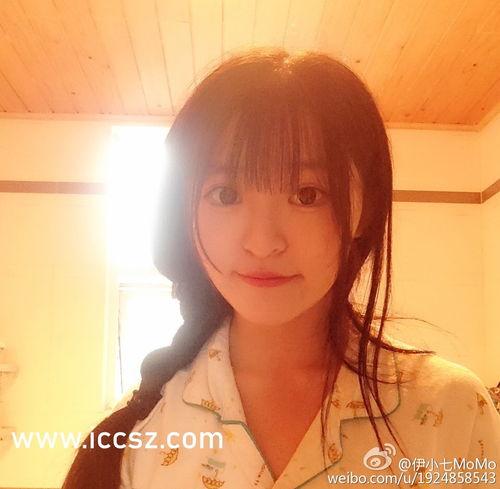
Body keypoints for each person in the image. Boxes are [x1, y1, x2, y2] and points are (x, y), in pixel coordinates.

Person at [62, 48, 500, 489]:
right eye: (225, 194)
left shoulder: (448, 409)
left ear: (364, 211)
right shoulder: (148, 424)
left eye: (307, 194)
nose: (262, 242)